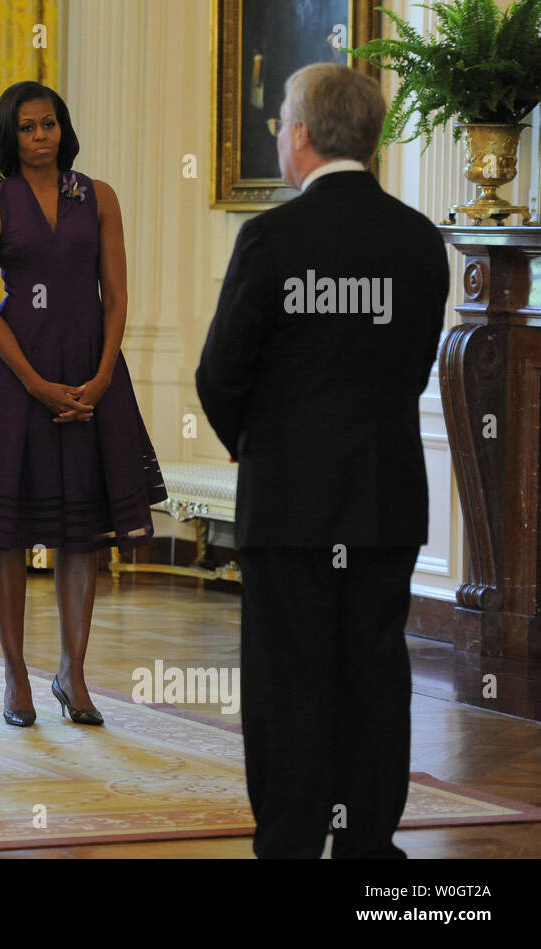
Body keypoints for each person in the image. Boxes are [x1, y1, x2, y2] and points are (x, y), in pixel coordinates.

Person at [196, 63, 449, 858]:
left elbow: (218, 373)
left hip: (291, 505)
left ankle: (295, 841)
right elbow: (411, 368)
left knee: (289, 678)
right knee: (374, 673)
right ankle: (370, 843)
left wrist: (261, 449)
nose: (279, 135)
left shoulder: (271, 236)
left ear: (301, 135)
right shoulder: (418, 237)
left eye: (280, 124)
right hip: (384, 496)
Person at [0, 82, 166, 728]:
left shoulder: (100, 197)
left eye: (50, 124)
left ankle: (73, 673)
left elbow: (115, 297)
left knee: (82, 533)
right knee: (7, 533)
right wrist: (36, 383)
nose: (42, 136)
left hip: (93, 373)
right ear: (10, 136)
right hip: (14, 379)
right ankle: (14, 676)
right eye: (29, 127)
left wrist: (103, 374)